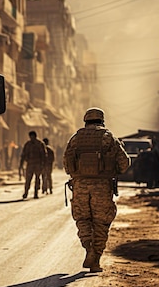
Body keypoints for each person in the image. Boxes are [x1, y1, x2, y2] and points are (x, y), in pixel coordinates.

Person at [63, 107, 130, 273]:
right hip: (102, 186)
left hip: (80, 186)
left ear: (86, 120)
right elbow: (124, 163)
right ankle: (96, 258)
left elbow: (66, 164)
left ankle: (88, 249)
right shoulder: (109, 138)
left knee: (83, 220)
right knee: (101, 222)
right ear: (102, 120)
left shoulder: (76, 138)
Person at [19, 131, 47, 199]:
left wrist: (43, 165)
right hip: (30, 164)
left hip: (38, 164)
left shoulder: (40, 144)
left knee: (37, 179)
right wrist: (21, 164)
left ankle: (36, 193)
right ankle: (26, 192)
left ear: (35, 136)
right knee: (28, 179)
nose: (31, 138)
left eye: (32, 136)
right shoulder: (28, 144)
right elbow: (23, 154)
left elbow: (44, 155)